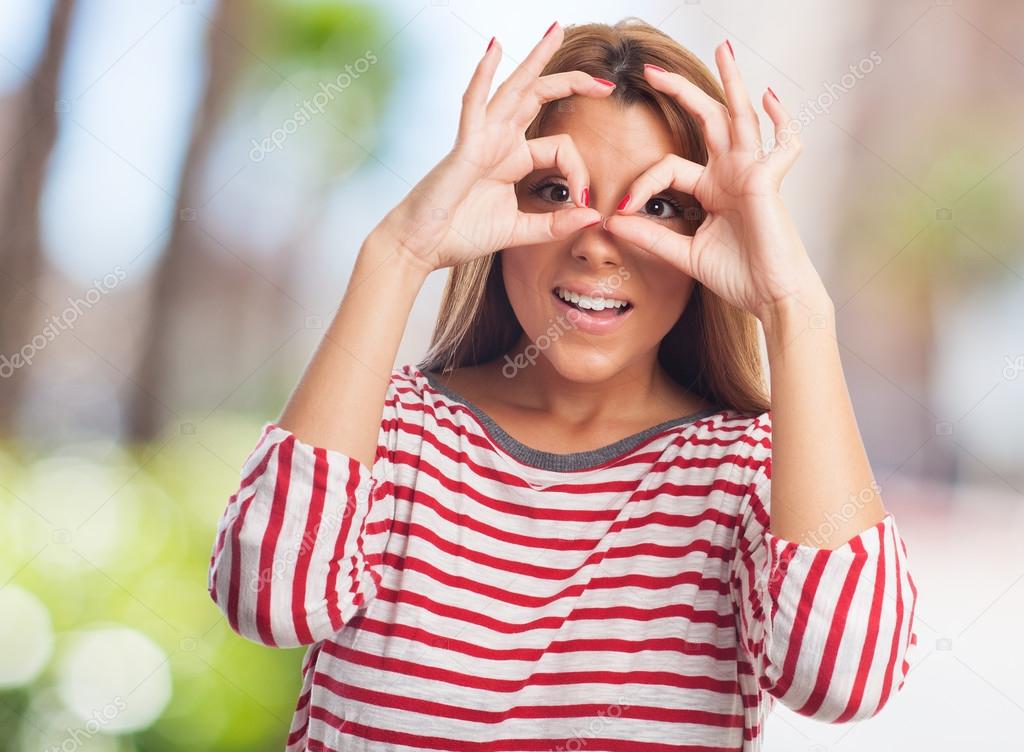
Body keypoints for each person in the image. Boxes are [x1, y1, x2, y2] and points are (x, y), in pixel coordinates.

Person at [207, 17, 918, 751]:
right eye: (556, 189)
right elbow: (269, 603)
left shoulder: (747, 475)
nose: (596, 242)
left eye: (659, 206)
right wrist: (400, 251)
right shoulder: (387, 432)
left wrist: (793, 309)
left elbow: (847, 680)